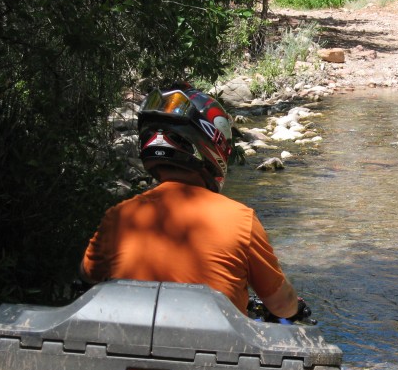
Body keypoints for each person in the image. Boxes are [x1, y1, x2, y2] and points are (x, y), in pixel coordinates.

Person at [80, 83, 301, 319]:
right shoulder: (241, 221)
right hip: (215, 353)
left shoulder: (120, 216)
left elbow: (88, 276)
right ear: (212, 145)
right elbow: (283, 307)